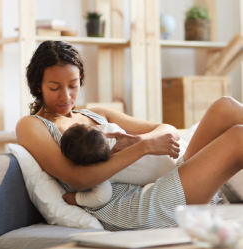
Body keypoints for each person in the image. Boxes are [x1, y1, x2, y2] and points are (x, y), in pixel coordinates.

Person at [16, 40, 243, 231]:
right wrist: (142, 149)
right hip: (133, 202)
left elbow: (168, 129)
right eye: (55, 88)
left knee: (225, 107)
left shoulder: (96, 114)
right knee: (238, 138)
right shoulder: (32, 125)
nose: (66, 96)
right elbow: (78, 179)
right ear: (38, 85)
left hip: (166, 173)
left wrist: (143, 140)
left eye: (73, 85)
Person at [60, 122, 178, 207]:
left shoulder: (103, 173)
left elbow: (101, 197)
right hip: (177, 156)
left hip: (173, 175)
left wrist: (76, 198)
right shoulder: (113, 131)